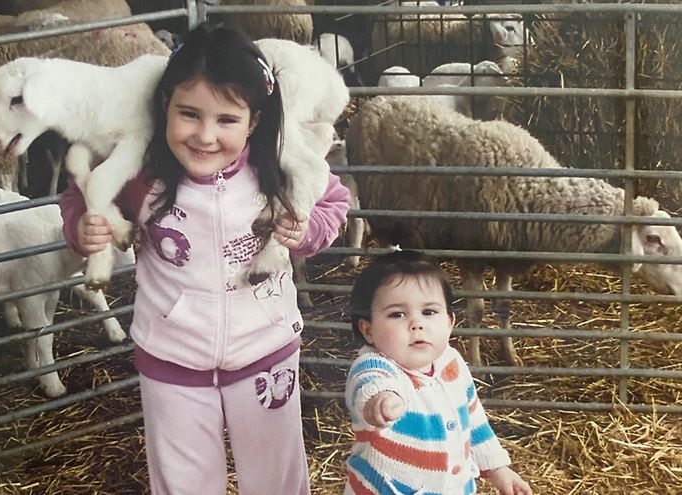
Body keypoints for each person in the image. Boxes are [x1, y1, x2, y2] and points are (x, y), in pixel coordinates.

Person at [59, 22, 351, 495]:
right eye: (189, 114)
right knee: (184, 485)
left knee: (277, 480)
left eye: (227, 120)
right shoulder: (139, 172)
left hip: (266, 353)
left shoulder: (277, 165)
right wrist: (84, 227)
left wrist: (306, 229)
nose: (205, 136)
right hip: (171, 357)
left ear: (254, 121)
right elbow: (80, 192)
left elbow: (333, 200)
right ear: (164, 107)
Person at [345, 251, 532, 495]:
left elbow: (473, 420)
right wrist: (381, 399)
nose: (416, 324)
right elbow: (368, 384)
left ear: (449, 323)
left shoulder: (451, 363)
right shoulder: (375, 365)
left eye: (429, 312)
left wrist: (497, 468)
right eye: (397, 314)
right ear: (368, 331)